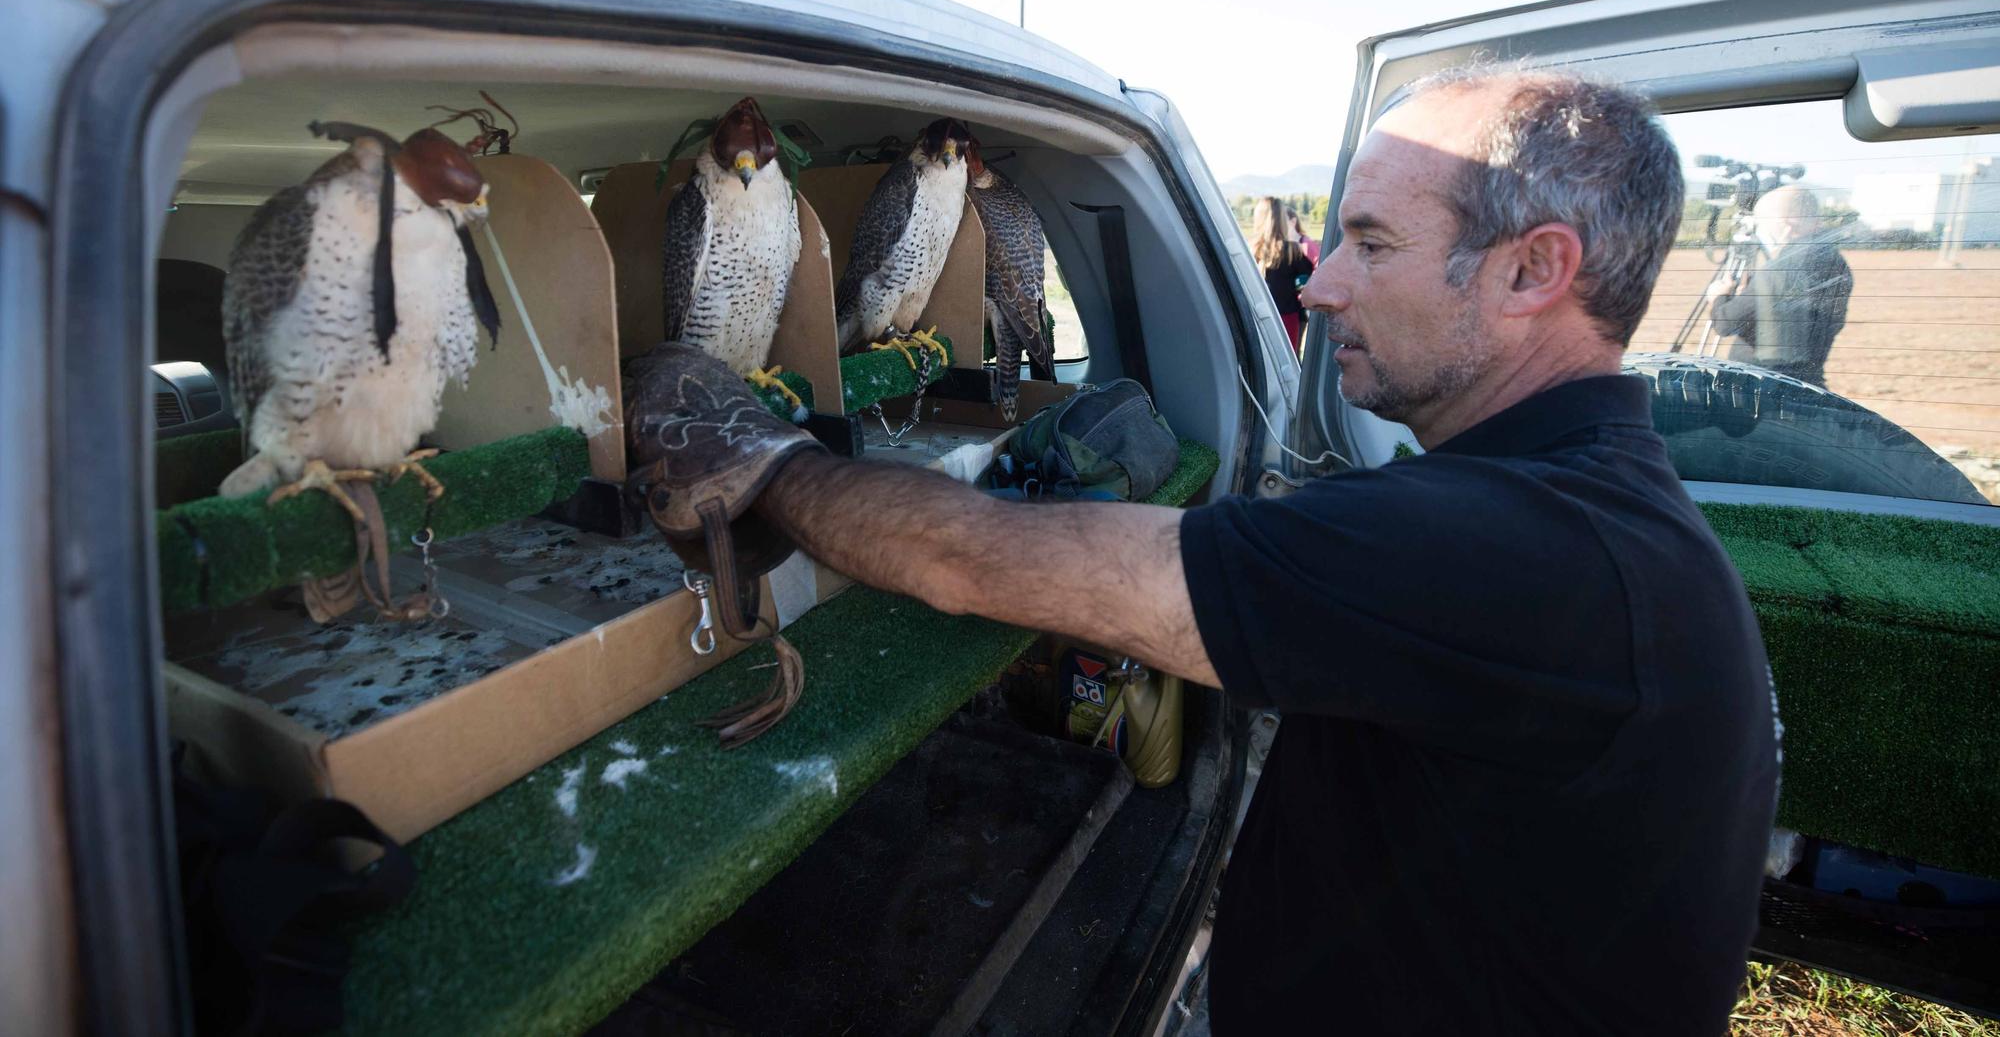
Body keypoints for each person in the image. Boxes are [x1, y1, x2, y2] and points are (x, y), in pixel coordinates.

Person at [640, 67, 1779, 1035]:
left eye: (1369, 243)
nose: (1320, 283)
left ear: (1532, 271)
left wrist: (767, 463)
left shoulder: (1517, 550)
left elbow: (973, 562)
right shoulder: (1578, 507)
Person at [1706, 184, 1853, 386]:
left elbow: (1725, 323)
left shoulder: (1786, 265)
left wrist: (1718, 296)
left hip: (1763, 388)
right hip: (1805, 383)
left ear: (1786, 225)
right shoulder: (1834, 261)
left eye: (1763, 226)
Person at [1251, 195, 1315, 352]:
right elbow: (1306, 287)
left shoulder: (1249, 252)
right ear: (1281, 220)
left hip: (1256, 319)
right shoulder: (1294, 252)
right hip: (1287, 320)